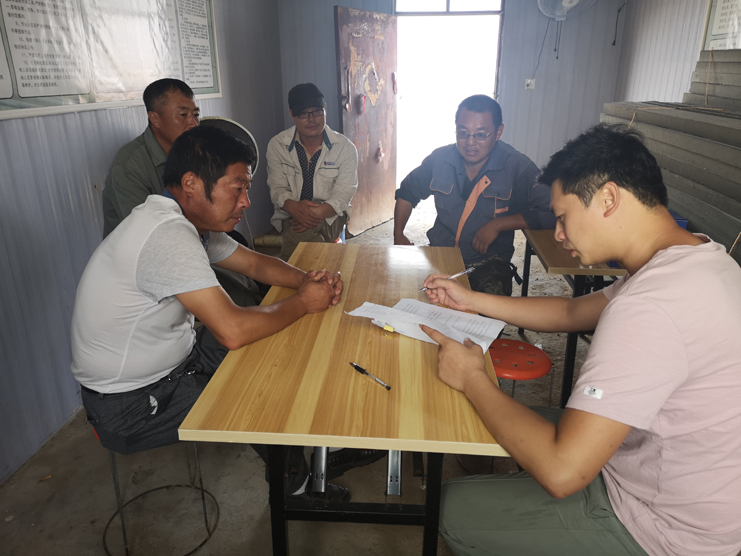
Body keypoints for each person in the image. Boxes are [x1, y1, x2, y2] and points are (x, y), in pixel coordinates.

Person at [421, 124, 741, 556]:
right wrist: (471, 299)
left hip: (666, 530)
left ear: (608, 199)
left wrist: (471, 376)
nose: (557, 233)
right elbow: (571, 313)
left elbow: (562, 472)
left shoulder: (652, 305)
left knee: (453, 506)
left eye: (562, 216)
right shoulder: (697, 258)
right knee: (497, 419)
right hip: (673, 480)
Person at [72, 126, 348, 501]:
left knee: (272, 341)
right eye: (238, 188)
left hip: (176, 362)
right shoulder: (167, 235)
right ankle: (298, 490)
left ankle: (312, 448)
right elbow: (232, 331)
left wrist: (306, 280)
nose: (246, 201)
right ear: (191, 183)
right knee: (262, 392)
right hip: (129, 404)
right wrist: (304, 302)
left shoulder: (185, 220)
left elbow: (254, 264)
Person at [101, 77, 261, 307]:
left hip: (193, 239)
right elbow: (152, 240)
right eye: (183, 115)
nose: (193, 124)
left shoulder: (194, 153)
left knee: (246, 281)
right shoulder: (128, 167)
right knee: (235, 298)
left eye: (195, 115)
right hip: (152, 260)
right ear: (155, 118)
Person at [394, 95, 555, 296]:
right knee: (405, 294)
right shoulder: (440, 160)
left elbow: (553, 211)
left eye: (480, 135)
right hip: (441, 254)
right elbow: (407, 192)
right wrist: (398, 234)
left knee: (486, 308)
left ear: (498, 132)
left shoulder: (517, 167)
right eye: (463, 133)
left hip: (488, 263)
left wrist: (499, 224)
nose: (470, 142)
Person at [267, 83, 358, 261]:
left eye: (317, 112)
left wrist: (315, 213)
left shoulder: (345, 148)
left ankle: (283, 273)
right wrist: (295, 208)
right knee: (309, 241)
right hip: (291, 214)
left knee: (299, 236)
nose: (311, 119)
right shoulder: (277, 145)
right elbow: (277, 188)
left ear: (325, 109)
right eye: (303, 113)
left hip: (331, 215)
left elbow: (344, 192)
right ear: (292, 114)